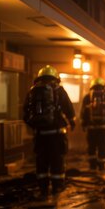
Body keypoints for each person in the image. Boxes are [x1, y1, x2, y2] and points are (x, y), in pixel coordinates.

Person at [23, 65, 76, 195]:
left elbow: (25, 114)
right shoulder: (59, 91)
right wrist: (72, 122)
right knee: (57, 160)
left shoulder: (32, 92)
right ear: (55, 78)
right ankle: (57, 187)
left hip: (40, 135)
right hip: (57, 134)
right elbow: (69, 109)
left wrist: (35, 126)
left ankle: (43, 188)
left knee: (41, 161)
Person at [80, 77, 105, 171]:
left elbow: (83, 112)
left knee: (91, 145)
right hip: (103, 127)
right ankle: (102, 165)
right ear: (103, 87)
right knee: (102, 145)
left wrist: (83, 124)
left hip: (91, 127)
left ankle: (92, 165)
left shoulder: (87, 97)